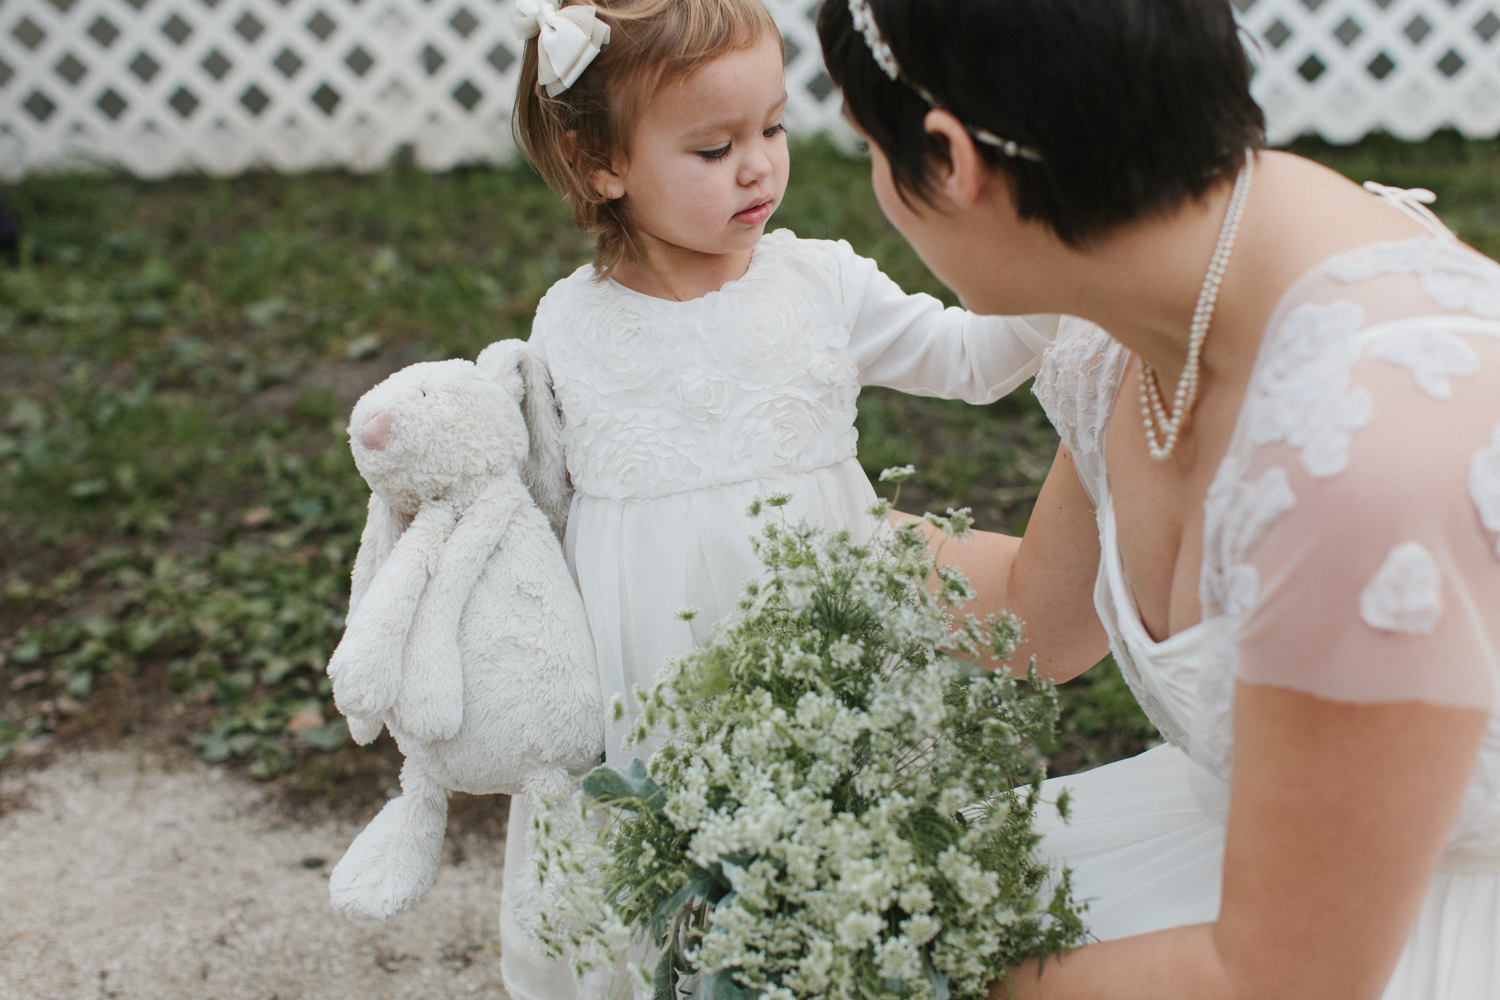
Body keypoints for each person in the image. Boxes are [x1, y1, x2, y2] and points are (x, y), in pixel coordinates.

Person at [818, 0, 1500, 997]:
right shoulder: (1146, 305)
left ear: (950, 156)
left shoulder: (1359, 446)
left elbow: (1285, 978)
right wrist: (771, 515)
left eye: (868, 152)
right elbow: (1029, 618)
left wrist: (894, 971)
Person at [498, 1, 1060, 996]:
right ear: (601, 165)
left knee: (842, 870)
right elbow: (541, 510)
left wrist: (1066, 284)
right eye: (714, 148)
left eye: (772, 128)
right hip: (658, 680)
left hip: (823, 653)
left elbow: (969, 361)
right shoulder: (569, 327)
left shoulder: (816, 283)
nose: (758, 165)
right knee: (676, 893)